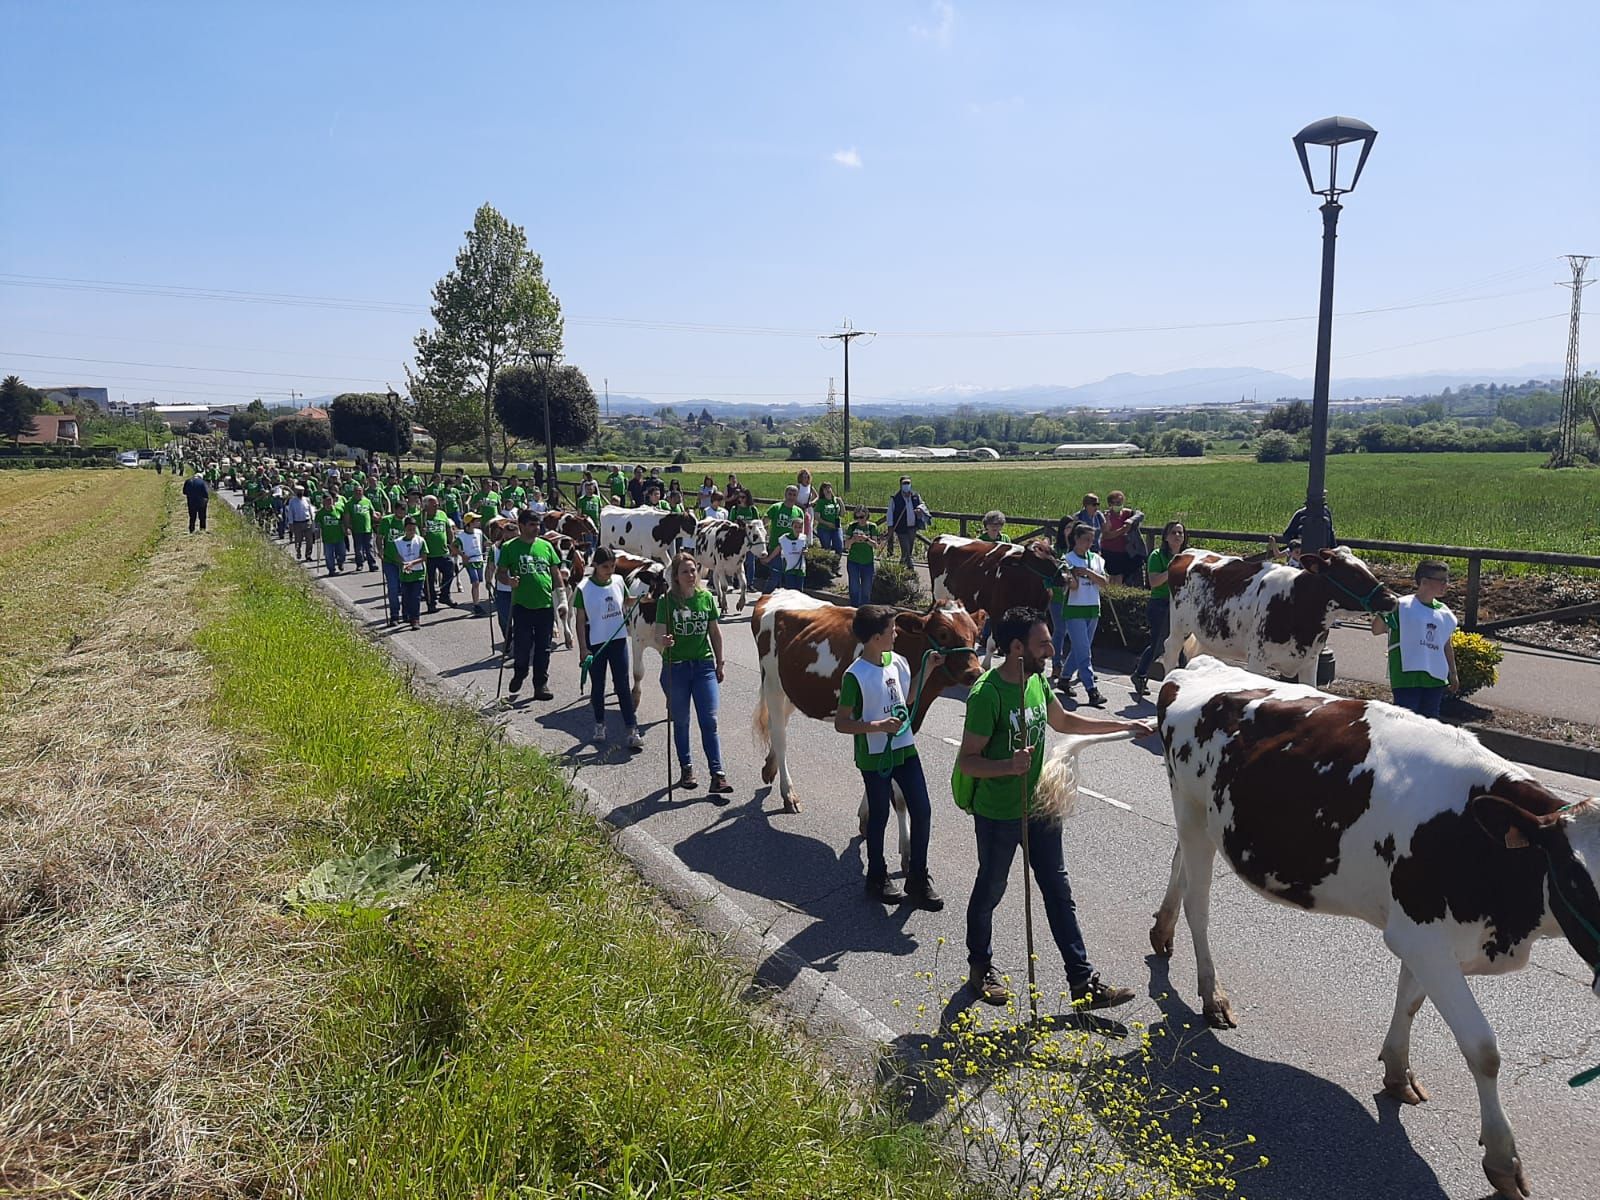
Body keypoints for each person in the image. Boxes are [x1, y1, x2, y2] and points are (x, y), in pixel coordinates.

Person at [956, 606, 1153, 1009]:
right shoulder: (988, 694)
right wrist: (1008, 766)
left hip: (1039, 808)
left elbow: (1064, 722)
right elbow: (968, 761)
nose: (1051, 649)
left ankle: (1083, 983)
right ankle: (981, 967)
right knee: (991, 890)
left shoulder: (1036, 682)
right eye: (1043, 643)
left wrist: (1123, 726)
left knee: (1059, 892)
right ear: (1016, 648)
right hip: (998, 814)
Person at [835, 605, 942, 909]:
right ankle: (877, 876)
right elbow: (842, 723)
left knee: (922, 810)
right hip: (874, 755)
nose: (896, 634)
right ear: (874, 637)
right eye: (891, 630)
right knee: (879, 816)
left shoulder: (899, 663)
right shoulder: (855, 676)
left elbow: (905, 700)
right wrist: (876, 726)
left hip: (905, 749)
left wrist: (928, 670)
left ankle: (918, 879)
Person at [656, 551, 731, 794]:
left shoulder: (706, 598)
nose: (690, 575)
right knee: (682, 721)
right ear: (675, 577)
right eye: (684, 572)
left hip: (703, 666)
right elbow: (659, 634)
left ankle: (717, 774)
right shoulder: (666, 602)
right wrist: (664, 641)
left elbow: (715, 633)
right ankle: (686, 768)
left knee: (709, 720)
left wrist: (720, 663)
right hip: (675, 667)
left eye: (693, 570)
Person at [1371, 560, 1459, 718]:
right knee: (1406, 721)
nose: (1446, 584)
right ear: (1424, 581)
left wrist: (1452, 673)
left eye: (1447, 580)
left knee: (1431, 722)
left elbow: (1446, 644)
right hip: (1407, 676)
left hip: (1435, 678)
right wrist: (1384, 610)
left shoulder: (1445, 613)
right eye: (1442, 580)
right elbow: (1376, 630)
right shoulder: (1401, 606)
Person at [575, 547, 644, 750]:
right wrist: (582, 649)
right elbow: (580, 621)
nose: (610, 570)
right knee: (598, 686)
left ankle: (632, 730)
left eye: (613, 566)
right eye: (605, 566)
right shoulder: (584, 588)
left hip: (618, 640)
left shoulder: (618, 581)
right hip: (596, 642)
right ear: (595, 565)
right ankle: (599, 725)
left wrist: (645, 599)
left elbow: (627, 601)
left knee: (622, 685)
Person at [497, 509, 565, 702]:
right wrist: (509, 580)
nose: (536, 528)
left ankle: (540, 684)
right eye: (532, 525)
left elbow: (555, 573)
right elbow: (500, 572)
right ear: (522, 526)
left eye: (538, 525)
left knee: (544, 648)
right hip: (522, 606)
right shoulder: (510, 547)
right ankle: (520, 672)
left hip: (545, 606)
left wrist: (563, 599)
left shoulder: (546, 546)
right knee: (522, 647)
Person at [1131, 521, 1187, 697]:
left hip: (1180, 605)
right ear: (1166, 536)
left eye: (1180, 533)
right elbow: (1154, 582)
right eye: (1173, 533)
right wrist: (1174, 569)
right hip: (1160, 603)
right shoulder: (1157, 556)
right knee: (1158, 644)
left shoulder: (1187, 556)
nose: (1177, 536)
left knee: (1181, 643)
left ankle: (1184, 680)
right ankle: (1140, 674)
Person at [1060, 521, 1109, 706]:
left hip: (1092, 608)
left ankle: (1065, 678)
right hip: (1074, 609)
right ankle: (1091, 690)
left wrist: (1088, 572)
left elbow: (1104, 582)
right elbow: (1071, 586)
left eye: (1092, 539)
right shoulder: (1067, 559)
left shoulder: (1096, 559)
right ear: (1076, 539)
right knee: (1084, 651)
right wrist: (1072, 575)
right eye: (1086, 540)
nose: (1090, 543)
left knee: (1081, 648)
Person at [419, 496, 458, 612]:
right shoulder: (420, 517)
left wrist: (452, 544)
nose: (437, 507)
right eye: (434, 505)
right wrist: (421, 532)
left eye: (437, 504)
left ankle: (444, 595)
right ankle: (431, 602)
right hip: (428, 554)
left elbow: (448, 530)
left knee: (450, 571)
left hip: (443, 552)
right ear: (426, 506)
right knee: (429, 580)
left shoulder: (442, 514)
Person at [1099, 491, 1144, 586]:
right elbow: (1106, 535)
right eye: (1115, 503)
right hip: (1109, 551)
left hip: (1124, 551)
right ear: (1110, 504)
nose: (1118, 505)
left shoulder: (1127, 513)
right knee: (1111, 577)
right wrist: (1123, 530)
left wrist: (1130, 521)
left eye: (1120, 502)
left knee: (1120, 577)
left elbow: (1140, 515)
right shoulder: (1106, 516)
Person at [886, 475, 928, 567]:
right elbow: (890, 514)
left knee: (908, 550)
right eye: (904, 483)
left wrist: (919, 510)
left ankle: (900, 568)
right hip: (901, 528)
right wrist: (890, 527)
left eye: (908, 483)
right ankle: (911, 569)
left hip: (912, 527)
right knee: (905, 549)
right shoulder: (895, 498)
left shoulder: (915, 496)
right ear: (900, 485)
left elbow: (922, 505)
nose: (906, 485)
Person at [394, 517, 427, 630]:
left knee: (415, 597)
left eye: (413, 529)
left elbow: (423, 557)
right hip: (405, 574)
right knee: (406, 596)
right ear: (405, 529)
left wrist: (412, 563)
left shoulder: (420, 540)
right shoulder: (398, 542)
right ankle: (406, 614)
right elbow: (397, 556)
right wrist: (404, 563)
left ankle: (415, 619)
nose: (411, 532)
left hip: (418, 572)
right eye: (409, 529)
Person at [843, 504, 879, 606]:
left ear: (867, 516)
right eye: (857, 517)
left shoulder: (872, 527)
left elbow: (876, 545)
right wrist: (853, 539)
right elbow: (846, 545)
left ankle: (864, 610)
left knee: (866, 590)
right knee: (854, 589)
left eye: (862, 517)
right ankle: (854, 608)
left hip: (867, 562)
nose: (859, 520)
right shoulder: (852, 526)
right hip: (853, 561)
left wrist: (866, 539)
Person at [377, 503, 406, 626]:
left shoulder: (408, 521)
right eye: (399, 510)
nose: (402, 512)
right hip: (389, 560)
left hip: (405, 561)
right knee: (393, 588)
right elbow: (379, 537)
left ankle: (406, 613)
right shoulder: (387, 521)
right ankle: (394, 615)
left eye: (404, 510)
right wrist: (380, 550)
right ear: (395, 510)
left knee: (405, 589)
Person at [454, 512, 488, 613]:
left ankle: (476, 602)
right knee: (475, 582)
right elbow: (453, 546)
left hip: (479, 560)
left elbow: (485, 542)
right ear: (469, 523)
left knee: (479, 582)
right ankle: (476, 605)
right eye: (476, 520)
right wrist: (463, 556)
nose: (478, 522)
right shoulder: (462, 536)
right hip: (470, 561)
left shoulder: (479, 532)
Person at [764, 516, 808, 591]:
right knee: (791, 591)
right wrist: (768, 559)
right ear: (791, 527)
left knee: (800, 591)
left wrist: (806, 552)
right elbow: (778, 549)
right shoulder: (784, 538)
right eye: (795, 527)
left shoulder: (803, 538)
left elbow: (806, 550)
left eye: (800, 527)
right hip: (789, 568)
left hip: (800, 569)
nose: (798, 529)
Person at [315, 491, 347, 575]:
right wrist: (317, 531)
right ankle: (331, 570)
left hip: (339, 536)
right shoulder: (320, 513)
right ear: (323, 502)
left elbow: (343, 520)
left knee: (342, 554)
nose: (329, 502)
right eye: (327, 500)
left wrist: (346, 528)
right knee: (329, 556)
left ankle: (340, 562)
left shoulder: (338, 510)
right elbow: (317, 523)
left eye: (330, 500)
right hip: (327, 538)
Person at [348, 484, 378, 572]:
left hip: (367, 528)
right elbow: (347, 516)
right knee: (358, 548)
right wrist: (348, 526)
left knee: (369, 547)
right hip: (356, 529)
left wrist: (377, 517)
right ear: (354, 492)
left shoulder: (367, 501)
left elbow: (372, 513)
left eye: (360, 491)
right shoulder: (350, 502)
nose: (358, 492)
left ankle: (372, 564)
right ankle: (359, 564)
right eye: (357, 491)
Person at [814, 481, 843, 554]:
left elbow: (842, 514)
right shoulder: (821, 502)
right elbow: (817, 517)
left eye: (829, 488)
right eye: (825, 488)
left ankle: (837, 562)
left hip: (836, 527)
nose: (828, 490)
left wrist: (841, 503)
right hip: (824, 528)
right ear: (822, 491)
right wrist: (828, 524)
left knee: (839, 546)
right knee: (826, 548)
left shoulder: (835, 500)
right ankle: (827, 563)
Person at [286, 484, 314, 559]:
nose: (300, 492)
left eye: (301, 491)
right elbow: (290, 513)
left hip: (307, 522)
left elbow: (310, 510)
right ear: (295, 491)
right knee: (298, 540)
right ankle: (298, 552)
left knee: (309, 541)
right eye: (298, 491)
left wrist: (313, 519)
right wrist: (290, 523)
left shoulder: (307, 499)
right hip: (297, 523)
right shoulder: (292, 501)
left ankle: (308, 555)